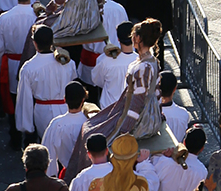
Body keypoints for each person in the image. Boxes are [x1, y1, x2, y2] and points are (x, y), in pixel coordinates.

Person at [66, 19, 165, 182]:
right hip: (138, 111)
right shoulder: (151, 61)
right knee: (90, 127)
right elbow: (156, 92)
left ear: (138, 39)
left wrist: (123, 131)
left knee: (91, 131)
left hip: (139, 118)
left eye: (134, 36)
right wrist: (159, 113)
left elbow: (137, 103)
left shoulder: (142, 67)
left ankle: (84, 178)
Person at [16, 25, 78, 140]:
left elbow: (25, 99)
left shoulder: (29, 68)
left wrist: (27, 127)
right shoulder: (68, 63)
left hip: (42, 113)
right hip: (66, 109)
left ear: (34, 43)